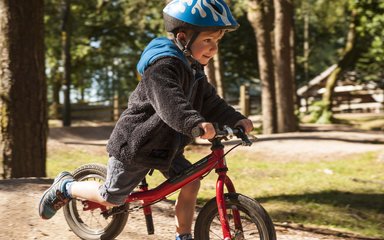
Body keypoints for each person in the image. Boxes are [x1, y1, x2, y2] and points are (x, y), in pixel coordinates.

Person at [39, 0, 253, 239]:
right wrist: (195, 124)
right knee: (112, 198)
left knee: (191, 182)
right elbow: (170, 103)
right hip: (136, 144)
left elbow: (211, 102)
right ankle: (65, 187)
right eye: (207, 40)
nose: (213, 49)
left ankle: (183, 236)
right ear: (183, 38)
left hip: (165, 146)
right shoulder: (162, 67)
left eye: (217, 41)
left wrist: (236, 119)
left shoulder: (194, 69)